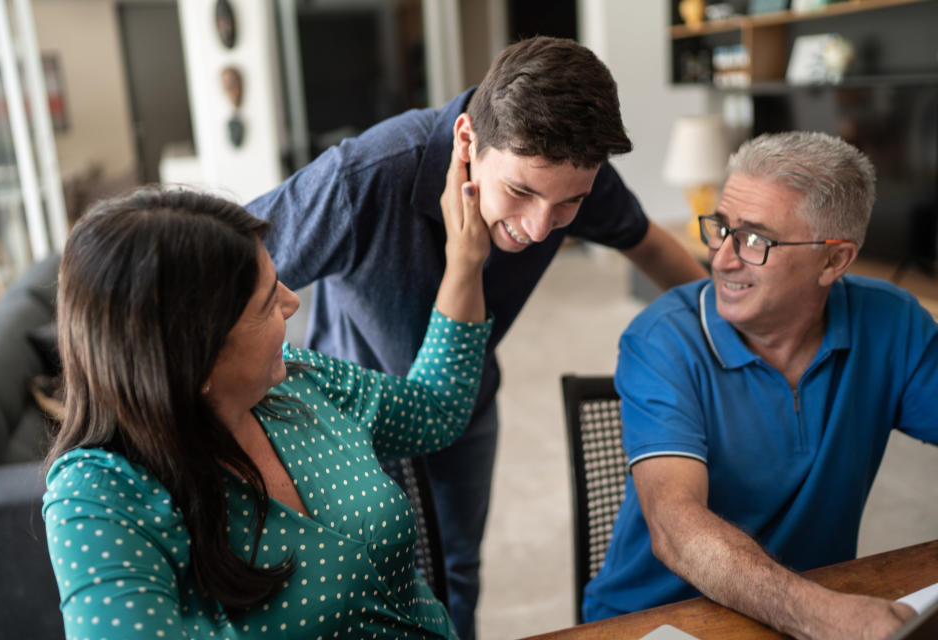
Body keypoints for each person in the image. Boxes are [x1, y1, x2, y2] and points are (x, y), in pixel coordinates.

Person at [246, 35, 707, 637]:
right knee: (357, 587)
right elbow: (217, 266)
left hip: (465, 402)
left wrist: (721, 328)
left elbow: (647, 244)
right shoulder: (362, 178)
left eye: (569, 204)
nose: (541, 227)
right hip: (352, 414)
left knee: (456, 572)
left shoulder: (563, 173)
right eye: (520, 192)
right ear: (468, 140)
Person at [42, 180, 494, 640]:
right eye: (265, 304)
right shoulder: (98, 496)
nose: (292, 302)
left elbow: (434, 410)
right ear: (192, 361)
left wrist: (466, 261)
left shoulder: (296, 380)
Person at [583, 131, 938, 639]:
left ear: (833, 261)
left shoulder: (892, 321)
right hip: (654, 622)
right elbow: (675, 527)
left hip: (797, 616)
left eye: (755, 240)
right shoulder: (661, 339)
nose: (722, 259)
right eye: (721, 228)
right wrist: (825, 616)